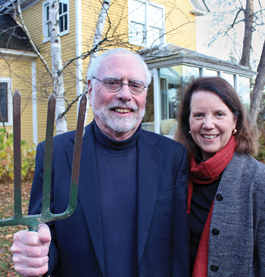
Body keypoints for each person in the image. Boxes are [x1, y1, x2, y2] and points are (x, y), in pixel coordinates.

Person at [11, 48, 190, 277]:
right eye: (113, 82)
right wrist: (38, 255)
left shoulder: (172, 156)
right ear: (90, 88)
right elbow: (45, 236)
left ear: (145, 93)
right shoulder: (54, 154)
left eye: (135, 85)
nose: (125, 94)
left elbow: (179, 250)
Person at [175, 76, 265, 277]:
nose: (208, 124)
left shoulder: (258, 181)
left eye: (219, 114)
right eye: (199, 115)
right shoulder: (175, 175)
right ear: (188, 122)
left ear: (235, 121)